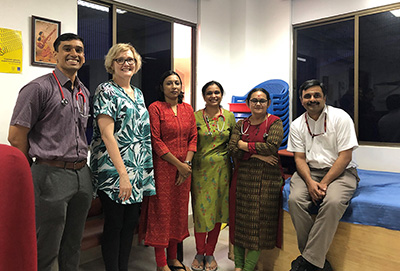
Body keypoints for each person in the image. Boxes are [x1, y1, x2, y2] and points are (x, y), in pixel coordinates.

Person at [8, 33, 92, 271]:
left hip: (81, 176)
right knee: (47, 243)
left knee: (73, 243)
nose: (74, 54)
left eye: (79, 49)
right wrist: (34, 171)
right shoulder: (38, 88)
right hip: (49, 173)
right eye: (67, 49)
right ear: (54, 54)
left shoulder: (83, 92)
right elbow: (15, 136)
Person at [90, 43, 155, 271]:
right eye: (120, 60)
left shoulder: (138, 93)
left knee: (129, 224)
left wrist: (140, 172)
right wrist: (122, 174)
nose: (126, 64)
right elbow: (107, 135)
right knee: (115, 224)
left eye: (130, 60)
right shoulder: (105, 90)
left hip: (136, 169)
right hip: (113, 170)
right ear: (111, 64)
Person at [287, 79, 359, 271]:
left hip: (341, 172)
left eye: (316, 95)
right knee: (294, 200)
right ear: (301, 100)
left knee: (333, 202)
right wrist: (310, 182)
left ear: (324, 98)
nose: (312, 99)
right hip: (309, 172)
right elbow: (299, 159)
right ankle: (317, 261)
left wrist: (324, 183)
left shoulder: (340, 117)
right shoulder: (296, 125)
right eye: (307, 96)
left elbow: (345, 156)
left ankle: (308, 262)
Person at [138, 71, 197, 271]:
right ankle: (161, 263)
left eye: (177, 83)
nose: (174, 86)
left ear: (181, 87)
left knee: (178, 213)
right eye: (169, 83)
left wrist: (186, 165)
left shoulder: (188, 109)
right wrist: (179, 165)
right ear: (162, 88)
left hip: (185, 170)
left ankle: (173, 258)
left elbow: (193, 138)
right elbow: (155, 140)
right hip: (163, 169)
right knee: (161, 213)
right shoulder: (155, 108)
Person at [228, 88, 284, 271]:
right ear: (248, 103)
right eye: (254, 100)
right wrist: (256, 155)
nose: (258, 104)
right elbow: (232, 149)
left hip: (267, 180)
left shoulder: (275, 122)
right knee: (239, 223)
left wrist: (245, 146)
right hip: (242, 179)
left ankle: (248, 268)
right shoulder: (241, 124)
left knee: (260, 226)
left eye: (262, 101)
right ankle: (238, 266)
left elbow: (271, 147)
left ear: (268, 103)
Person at [190, 81, 236, 271]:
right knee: (201, 214)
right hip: (200, 171)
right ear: (204, 96)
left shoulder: (229, 117)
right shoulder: (195, 117)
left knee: (217, 213)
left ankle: (210, 253)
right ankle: (199, 252)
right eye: (209, 93)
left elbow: (234, 144)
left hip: (223, 172)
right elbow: (190, 142)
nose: (213, 96)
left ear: (221, 95)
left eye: (217, 92)